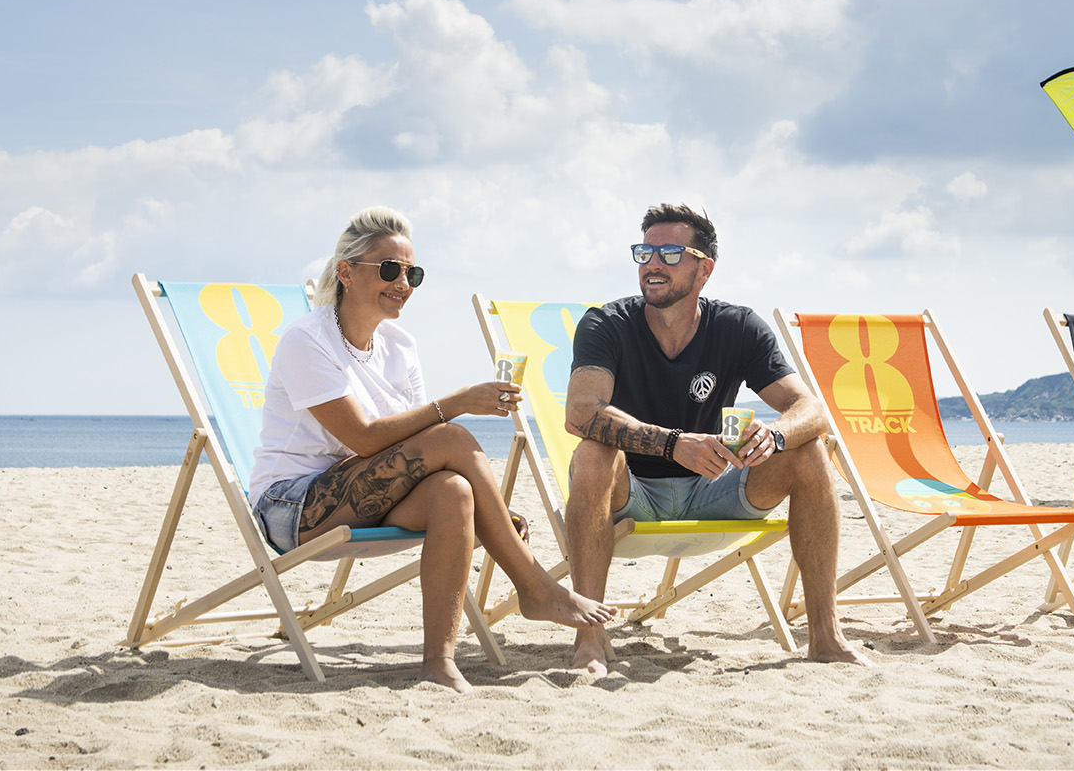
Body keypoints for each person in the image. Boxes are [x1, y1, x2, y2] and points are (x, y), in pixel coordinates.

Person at [248, 206, 614, 692]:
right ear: (346, 272)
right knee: (453, 436)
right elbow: (364, 437)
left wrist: (491, 512)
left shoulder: (399, 345)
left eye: (412, 273)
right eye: (389, 269)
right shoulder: (306, 340)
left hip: (364, 495)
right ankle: (534, 587)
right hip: (294, 505)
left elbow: (416, 452)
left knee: (454, 493)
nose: (403, 282)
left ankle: (438, 664)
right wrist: (458, 402)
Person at [563, 203, 871, 675]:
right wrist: (674, 444)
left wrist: (775, 435)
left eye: (669, 252)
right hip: (633, 496)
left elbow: (812, 409)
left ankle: (825, 637)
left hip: (712, 490)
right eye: (644, 251)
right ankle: (590, 639)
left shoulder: (736, 327)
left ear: (704, 268)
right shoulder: (607, 324)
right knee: (591, 453)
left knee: (809, 452)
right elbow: (581, 412)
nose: (653, 264)